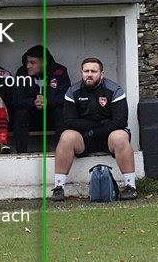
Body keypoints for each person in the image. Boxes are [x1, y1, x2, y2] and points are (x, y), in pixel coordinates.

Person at [51, 57, 136, 201]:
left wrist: (92, 129)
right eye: (86, 71)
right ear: (81, 73)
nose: (89, 74)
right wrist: (98, 125)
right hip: (83, 139)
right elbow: (70, 122)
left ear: (102, 74)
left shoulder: (115, 90)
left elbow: (120, 121)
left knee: (120, 137)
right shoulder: (72, 91)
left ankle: (130, 187)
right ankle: (59, 188)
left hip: (109, 138)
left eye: (93, 71)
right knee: (66, 136)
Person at [11, 45, 71, 153]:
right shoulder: (22, 72)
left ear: (44, 62)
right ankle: (21, 154)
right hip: (31, 119)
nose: (28, 66)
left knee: (61, 112)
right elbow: (16, 98)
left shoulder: (60, 72)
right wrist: (33, 102)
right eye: (27, 62)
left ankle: (61, 153)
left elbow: (66, 98)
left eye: (32, 62)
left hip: (51, 118)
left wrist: (48, 102)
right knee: (20, 113)